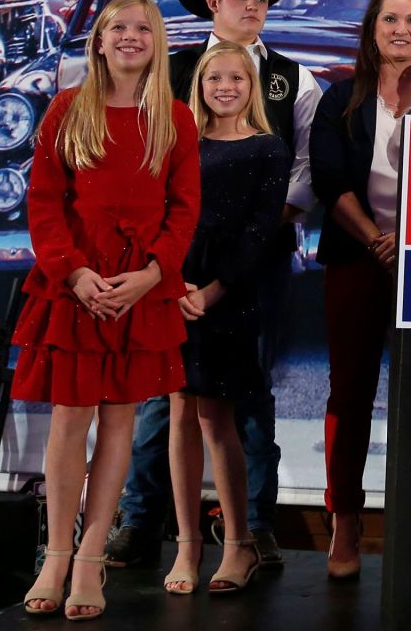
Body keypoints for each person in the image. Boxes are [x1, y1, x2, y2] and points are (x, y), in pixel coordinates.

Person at [107, 0, 320, 569]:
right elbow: (143, 158)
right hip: (167, 261)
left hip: (256, 261)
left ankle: (252, 527)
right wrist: (162, 257)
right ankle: (142, 520)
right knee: (160, 395)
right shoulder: (168, 71)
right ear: (213, 5)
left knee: (248, 391)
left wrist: (253, 236)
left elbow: (305, 168)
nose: (253, 7)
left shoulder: (290, 77)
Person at [15, 0, 199, 620]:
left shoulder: (175, 118)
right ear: (97, 40)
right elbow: (43, 202)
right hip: (79, 287)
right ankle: (57, 555)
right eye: (117, 28)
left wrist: (151, 276)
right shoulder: (69, 109)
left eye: (142, 28)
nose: (129, 37)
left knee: (119, 423)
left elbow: (183, 211)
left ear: (158, 42)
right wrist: (74, 273)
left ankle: (92, 557)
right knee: (71, 419)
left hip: (138, 290)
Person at [309, 0, 411, 580]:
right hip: (358, 259)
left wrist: (409, 241)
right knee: (351, 394)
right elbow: (330, 184)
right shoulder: (340, 100)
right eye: (390, 19)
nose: (401, 29)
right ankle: (346, 520)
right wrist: (378, 241)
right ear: (372, 29)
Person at [163, 42, 289, 595]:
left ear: (251, 85)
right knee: (178, 418)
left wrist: (212, 292)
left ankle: (238, 544)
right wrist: (171, 286)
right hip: (174, 291)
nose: (225, 87)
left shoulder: (268, 149)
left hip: (230, 293)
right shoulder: (178, 144)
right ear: (200, 84)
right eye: (215, 77)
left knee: (218, 421)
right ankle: (187, 546)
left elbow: (261, 233)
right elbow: (163, 218)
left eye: (236, 78)